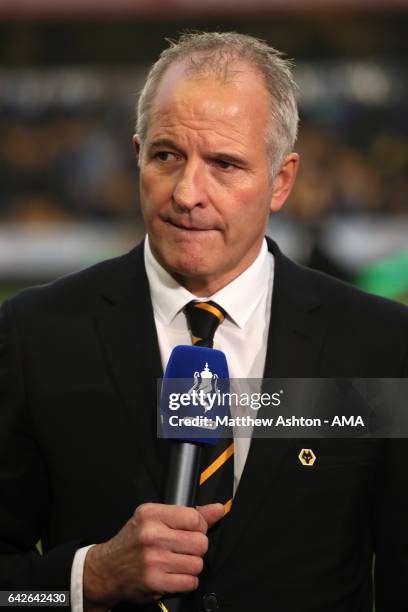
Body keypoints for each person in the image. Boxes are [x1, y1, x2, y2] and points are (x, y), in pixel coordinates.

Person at [0, 31, 407, 612]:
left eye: (224, 164)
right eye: (167, 156)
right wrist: (86, 578)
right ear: (137, 155)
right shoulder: (35, 333)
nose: (189, 193)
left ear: (281, 181)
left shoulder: (380, 345)